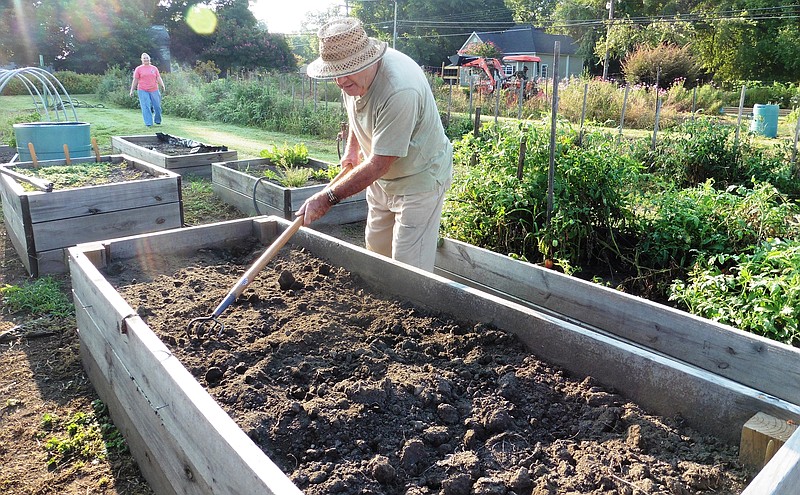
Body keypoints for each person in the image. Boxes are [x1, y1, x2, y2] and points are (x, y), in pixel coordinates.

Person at [298, 17, 453, 272]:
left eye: (345, 72)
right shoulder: (350, 76)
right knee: (376, 254)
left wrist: (327, 198)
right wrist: (353, 148)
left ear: (367, 60)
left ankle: (412, 309)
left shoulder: (399, 89)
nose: (340, 82)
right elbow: (358, 111)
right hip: (380, 178)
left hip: (419, 177)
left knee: (408, 268)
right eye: (335, 74)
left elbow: (380, 164)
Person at [129, 53, 165, 127]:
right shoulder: (138, 69)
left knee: (157, 106)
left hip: (154, 89)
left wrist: (162, 85)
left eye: (147, 58)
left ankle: (157, 120)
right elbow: (135, 80)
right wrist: (132, 90)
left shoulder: (154, 68)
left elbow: (158, 77)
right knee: (146, 106)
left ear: (149, 59)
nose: (146, 59)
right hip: (143, 90)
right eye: (144, 58)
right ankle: (148, 123)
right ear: (141, 60)